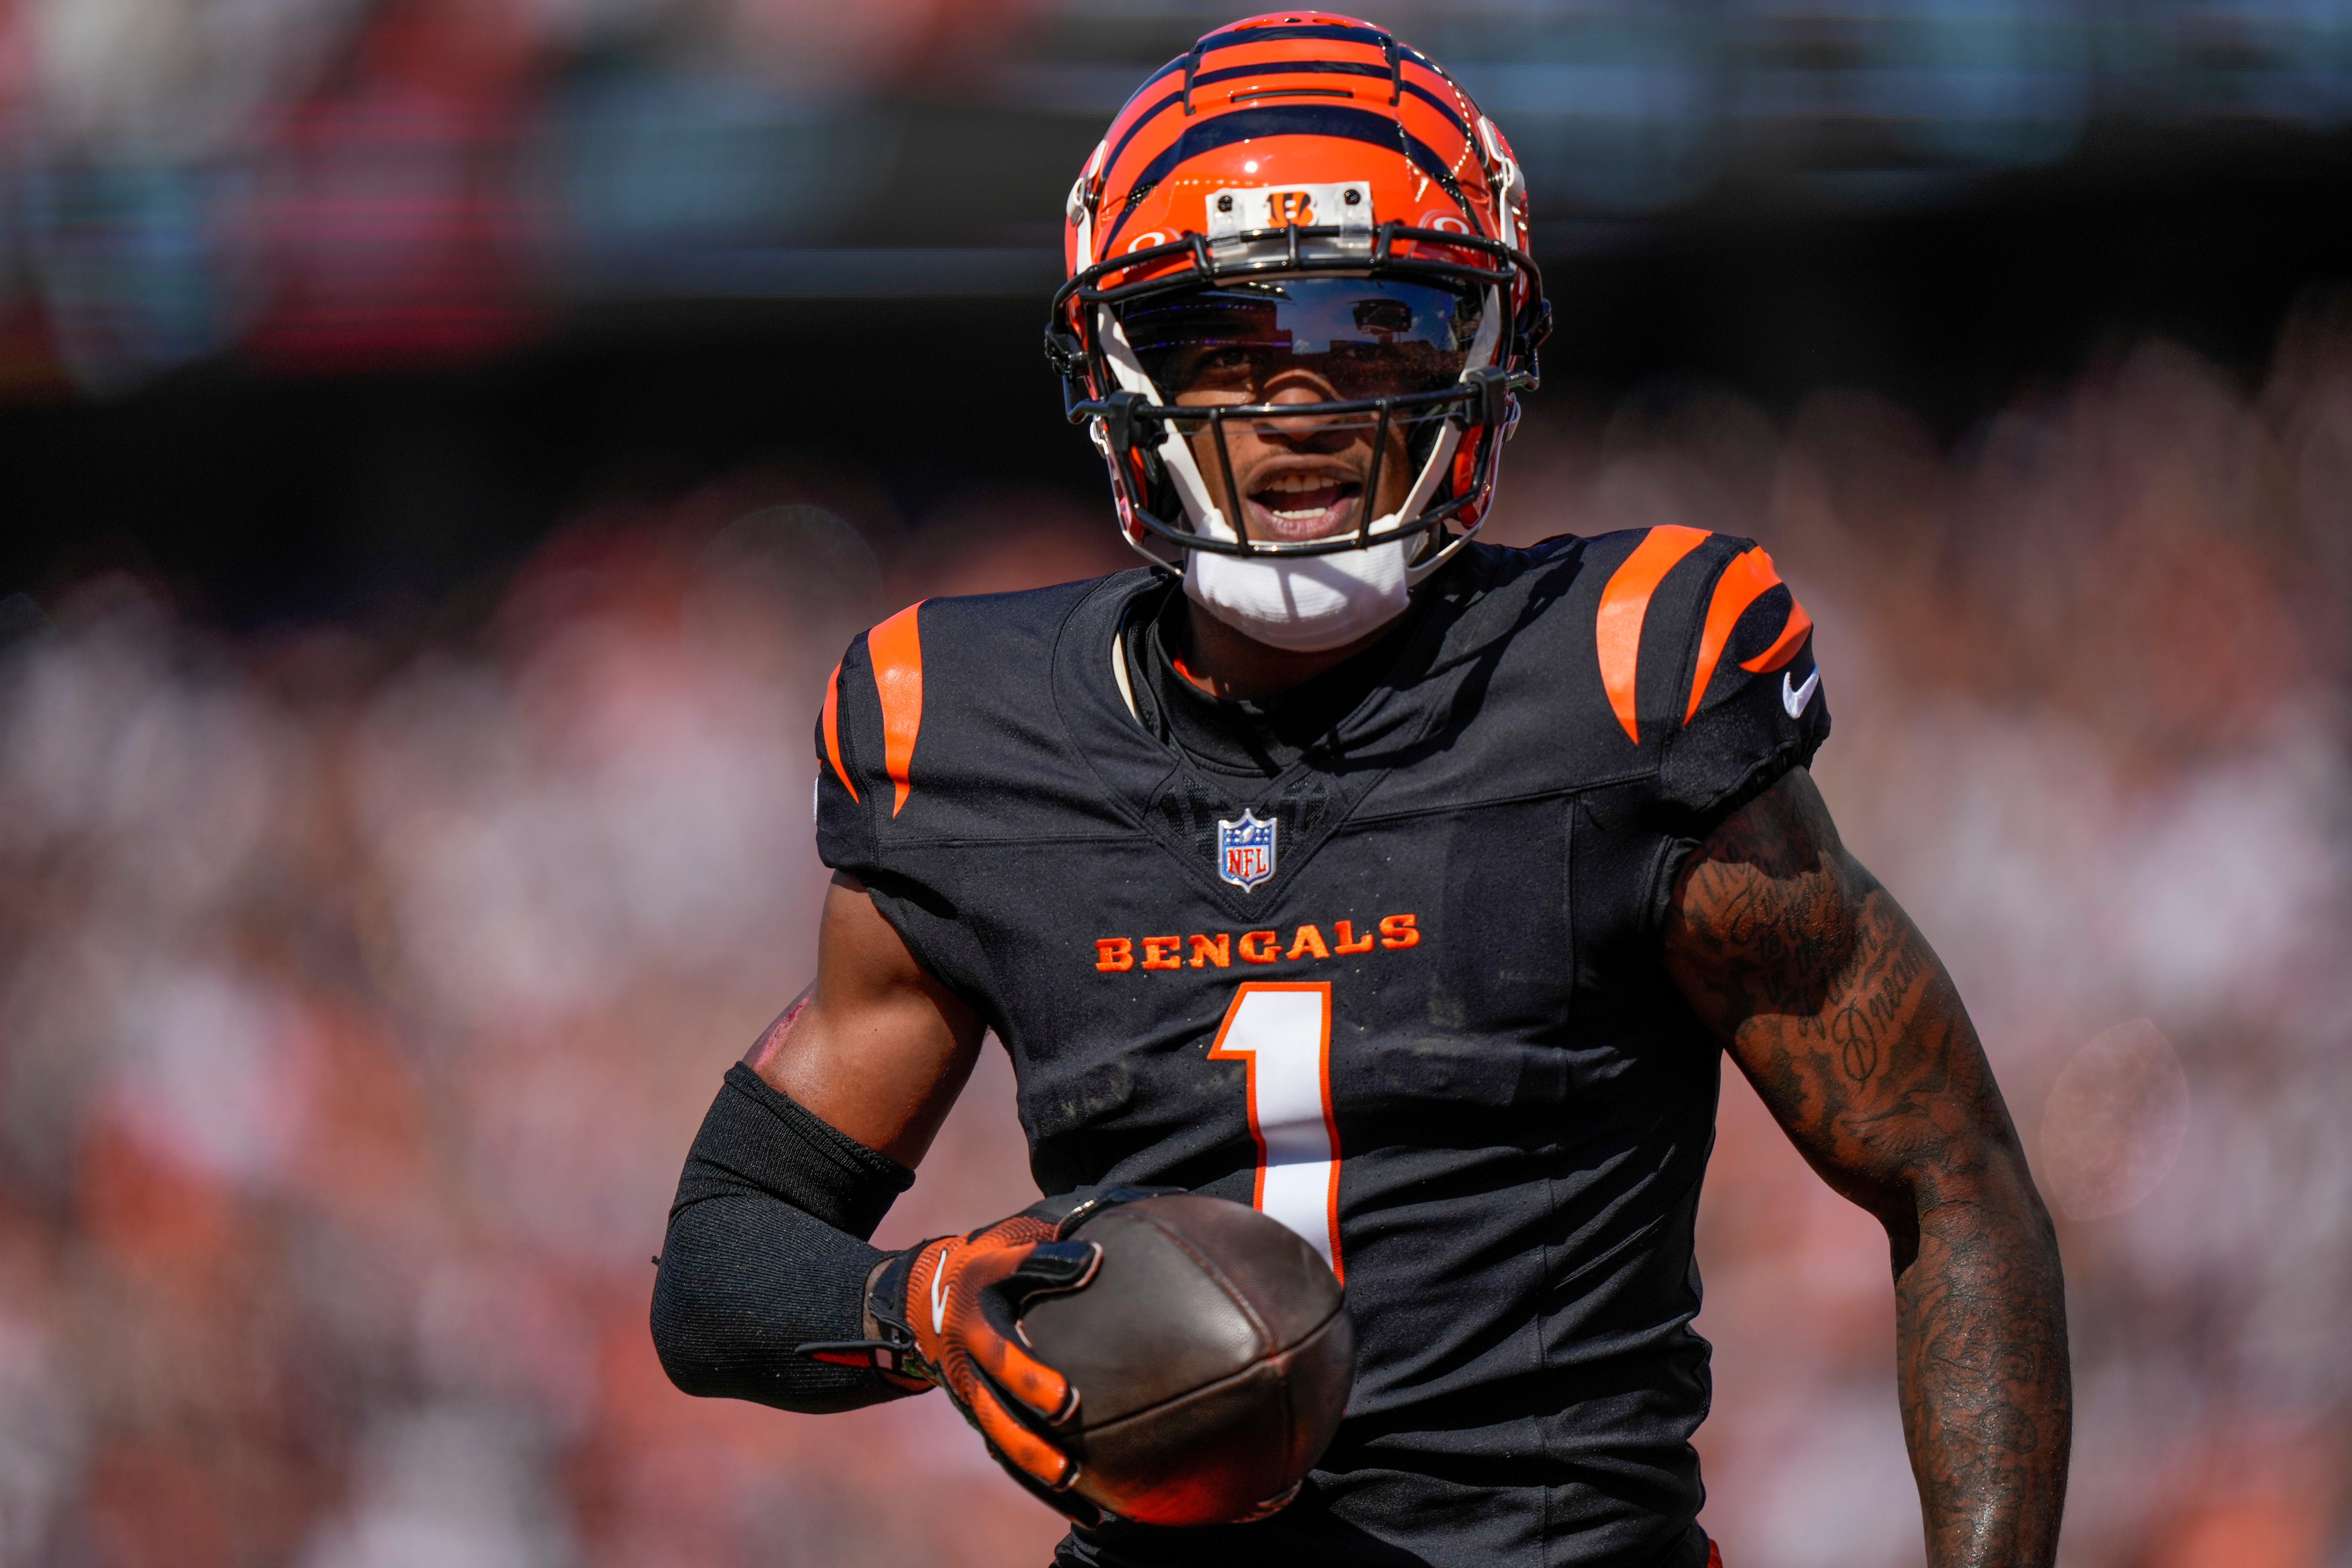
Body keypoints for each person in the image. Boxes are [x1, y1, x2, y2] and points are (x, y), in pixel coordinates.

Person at [650, 13, 2071, 1567]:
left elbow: (1951, 1181)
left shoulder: (1619, 684)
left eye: (1378, 324)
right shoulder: (965, 735)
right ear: (1122, 371)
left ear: (1481, 348)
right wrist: (919, 1305)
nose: (1304, 399)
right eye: (1226, 339)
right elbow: (721, 1263)